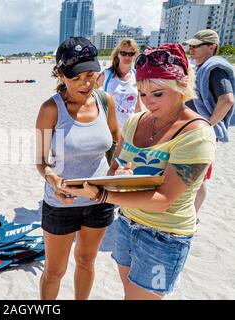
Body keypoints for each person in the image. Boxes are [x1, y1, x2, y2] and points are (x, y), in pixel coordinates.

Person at [62, 44, 216, 299]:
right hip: (127, 223)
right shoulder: (135, 122)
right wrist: (119, 178)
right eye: (142, 94)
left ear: (181, 87)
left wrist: (101, 196)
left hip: (164, 237)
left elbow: (164, 201)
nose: (148, 102)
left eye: (157, 93)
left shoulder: (197, 134)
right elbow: (113, 171)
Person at [35, 37, 120, 300]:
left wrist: (119, 168)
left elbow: (117, 140)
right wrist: (52, 179)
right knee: (54, 271)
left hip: (99, 199)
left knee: (86, 262)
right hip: (61, 203)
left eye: (91, 75)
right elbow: (40, 160)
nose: (86, 83)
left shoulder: (105, 102)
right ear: (61, 74)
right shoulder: (51, 109)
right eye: (77, 77)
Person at [182, 29, 235, 212]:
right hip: (193, 131)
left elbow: (227, 99)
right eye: (190, 45)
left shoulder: (215, 69)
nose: (191, 48)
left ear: (212, 46)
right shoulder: (202, 67)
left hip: (201, 133)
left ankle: (193, 215)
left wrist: (208, 124)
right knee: (192, 176)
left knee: (198, 178)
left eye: (196, 45)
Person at [96, 38, 142, 128]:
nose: (127, 57)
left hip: (129, 129)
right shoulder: (107, 74)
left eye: (131, 54)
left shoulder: (136, 76)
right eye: (123, 53)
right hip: (109, 128)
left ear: (135, 56)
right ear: (118, 54)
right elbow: (90, 92)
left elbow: (138, 106)